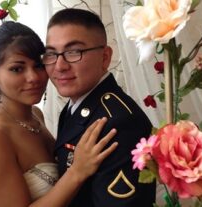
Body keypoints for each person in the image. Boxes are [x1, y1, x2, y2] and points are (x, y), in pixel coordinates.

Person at [0, 21, 118, 207]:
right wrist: (77, 171)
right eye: (17, 69)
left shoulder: (35, 115)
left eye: (39, 65)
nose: (33, 77)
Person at [43, 8, 156, 207]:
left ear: (105, 57)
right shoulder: (75, 106)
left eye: (73, 52)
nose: (59, 66)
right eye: (51, 54)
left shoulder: (118, 122)